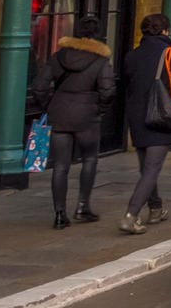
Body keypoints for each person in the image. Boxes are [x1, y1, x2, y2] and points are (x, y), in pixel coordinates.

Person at [31, 15, 116, 228]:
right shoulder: (100, 61)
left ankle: (60, 213)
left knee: (60, 165)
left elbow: (40, 86)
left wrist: (48, 105)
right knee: (89, 159)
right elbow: (107, 90)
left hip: (59, 112)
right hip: (87, 114)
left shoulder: (59, 56)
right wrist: (100, 109)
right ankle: (82, 206)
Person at [121, 13, 171, 234]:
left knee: (146, 167)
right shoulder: (169, 52)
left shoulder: (132, 56)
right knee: (152, 169)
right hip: (160, 115)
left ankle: (156, 208)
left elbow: (127, 82)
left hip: (136, 116)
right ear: (165, 31)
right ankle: (130, 215)